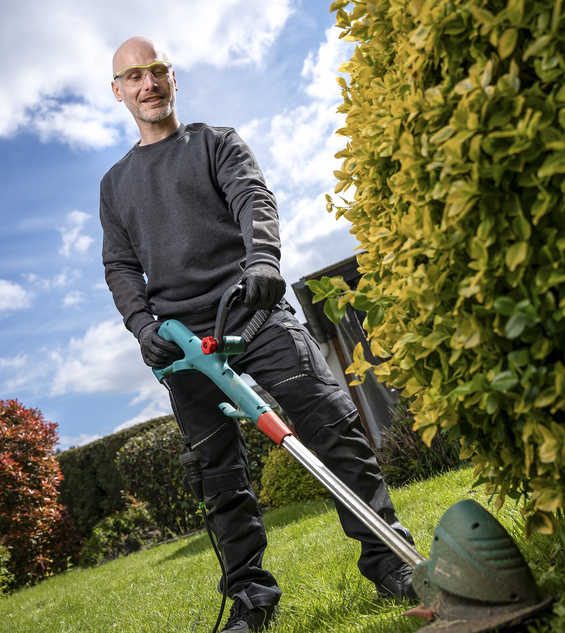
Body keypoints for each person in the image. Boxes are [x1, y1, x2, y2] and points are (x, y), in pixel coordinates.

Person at [99, 37, 417, 632]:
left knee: (333, 425)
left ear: (173, 78)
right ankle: (250, 599)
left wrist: (263, 262)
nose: (148, 85)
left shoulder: (216, 143)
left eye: (157, 71)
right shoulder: (115, 184)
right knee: (218, 474)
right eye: (134, 77)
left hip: (252, 309)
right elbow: (119, 265)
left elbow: (254, 199)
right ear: (117, 91)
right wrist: (143, 327)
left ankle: (391, 559)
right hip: (183, 340)